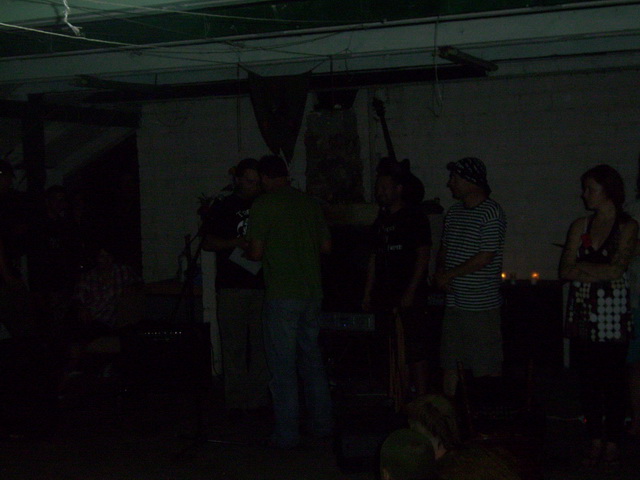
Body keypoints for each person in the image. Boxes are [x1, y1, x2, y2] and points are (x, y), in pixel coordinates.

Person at [246, 154, 333, 449]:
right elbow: (326, 246)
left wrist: (250, 248)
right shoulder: (309, 203)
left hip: (283, 293)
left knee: (282, 367)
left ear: (265, 178)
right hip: (312, 293)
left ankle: (286, 434)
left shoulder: (264, 204)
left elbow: (256, 253)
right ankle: (322, 424)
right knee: (312, 362)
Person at [560, 164, 638, 467]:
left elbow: (617, 269)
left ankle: (613, 440)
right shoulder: (580, 225)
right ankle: (594, 437)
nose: (584, 194)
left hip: (612, 314)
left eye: (590, 188)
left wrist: (583, 270)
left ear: (608, 190)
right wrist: (597, 272)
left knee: (613, 379)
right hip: (583, 312)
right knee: (588, 380)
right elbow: (565, 270)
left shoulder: (627, 226)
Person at [201, 157, 270, 417]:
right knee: (234, 345)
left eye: (257, 182)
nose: (254, 187)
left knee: (262, 345)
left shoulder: (265, 204)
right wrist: (235, 243)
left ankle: (258, 399)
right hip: (232, 285)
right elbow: (208, 242)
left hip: (262, 285)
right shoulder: (225, 206)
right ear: (238, 180)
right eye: (249, 181)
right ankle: (237, 401)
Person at [434, 157, 506, 398]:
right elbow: (444, 249)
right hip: (454, 302)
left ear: (471, 181)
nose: (450, 183)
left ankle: (487, 412)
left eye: (455, 178)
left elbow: (485, 256)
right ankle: (450, 414)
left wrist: (449, 274)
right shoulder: (454, 212)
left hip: (480, 305)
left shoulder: (491, 212)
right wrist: (441, 273)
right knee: (450, 362)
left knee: (486, 365)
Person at [362, 159, 432, 398]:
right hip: (385, 295)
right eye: (378, 188)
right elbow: (374, 258)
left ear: (398, 189)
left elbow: (423, 255)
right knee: (391, 346)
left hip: (409, 295)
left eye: (385, 188)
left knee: (414, 346)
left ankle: (421, 398)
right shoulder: (380, 221)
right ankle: (398, 395)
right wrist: (368, 293)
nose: (380, 192)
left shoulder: (414, 217)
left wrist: (411, 291)